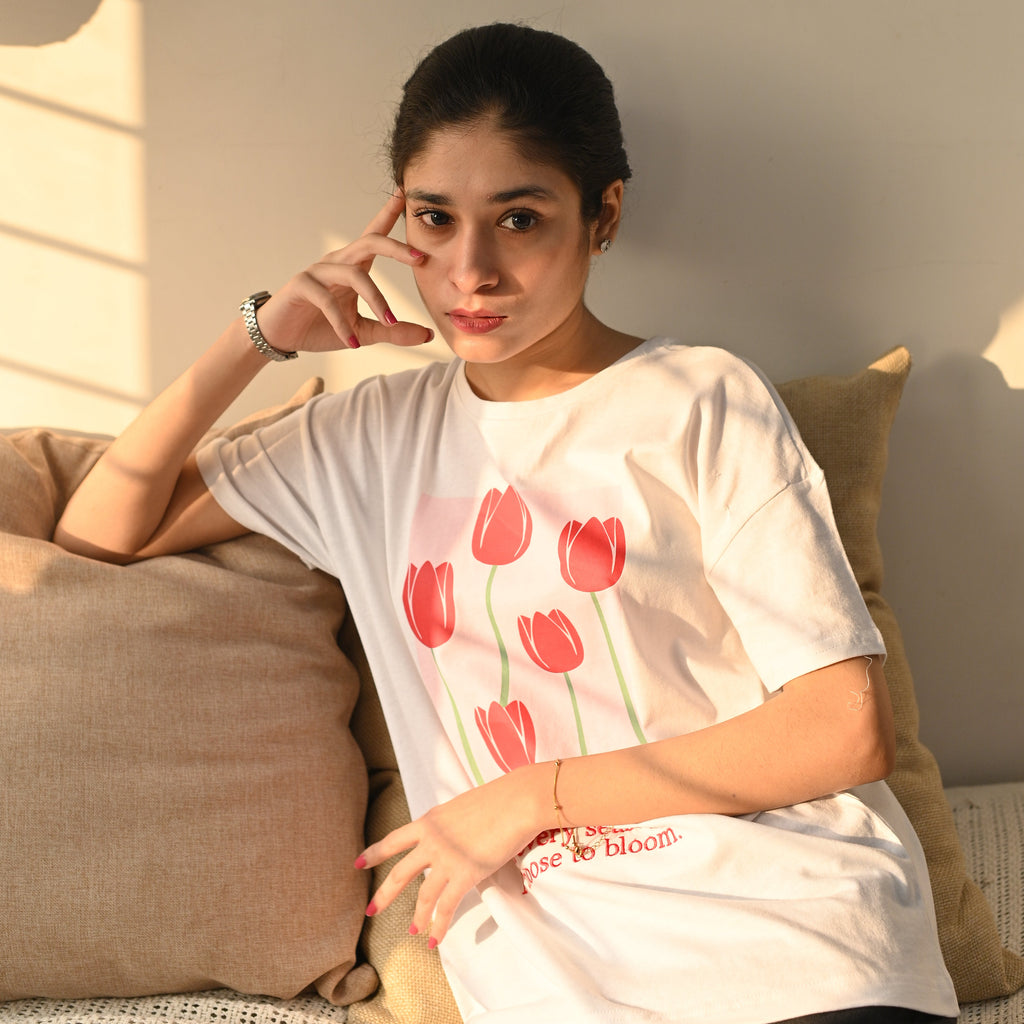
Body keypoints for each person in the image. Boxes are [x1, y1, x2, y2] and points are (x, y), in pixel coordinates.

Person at [53, 22, 960, 1024]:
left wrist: (529, 796)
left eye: (518, 219)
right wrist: (257, 335)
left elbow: (842, 728)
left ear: (602, 214)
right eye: (435, 220)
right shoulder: (366, 438)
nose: (470, 271)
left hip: (798, 942)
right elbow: (103, 532)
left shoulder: (701, 398)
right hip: (565, 977)